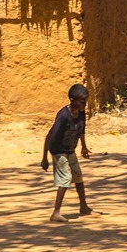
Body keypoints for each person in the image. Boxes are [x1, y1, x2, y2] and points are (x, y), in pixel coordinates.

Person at [41, 84, 93, 222]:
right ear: (72, 100)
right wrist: (44, 158)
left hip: (70, 150)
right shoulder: (63, 116)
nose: (85, 105)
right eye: (82, 102)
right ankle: (56, 212)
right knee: (65, 179)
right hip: (59, 152)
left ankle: (84, 207)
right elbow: (49, 136)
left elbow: (82, 131)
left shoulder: (81, 114)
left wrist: (83, 147)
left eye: (85, 102)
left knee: (78, 177)